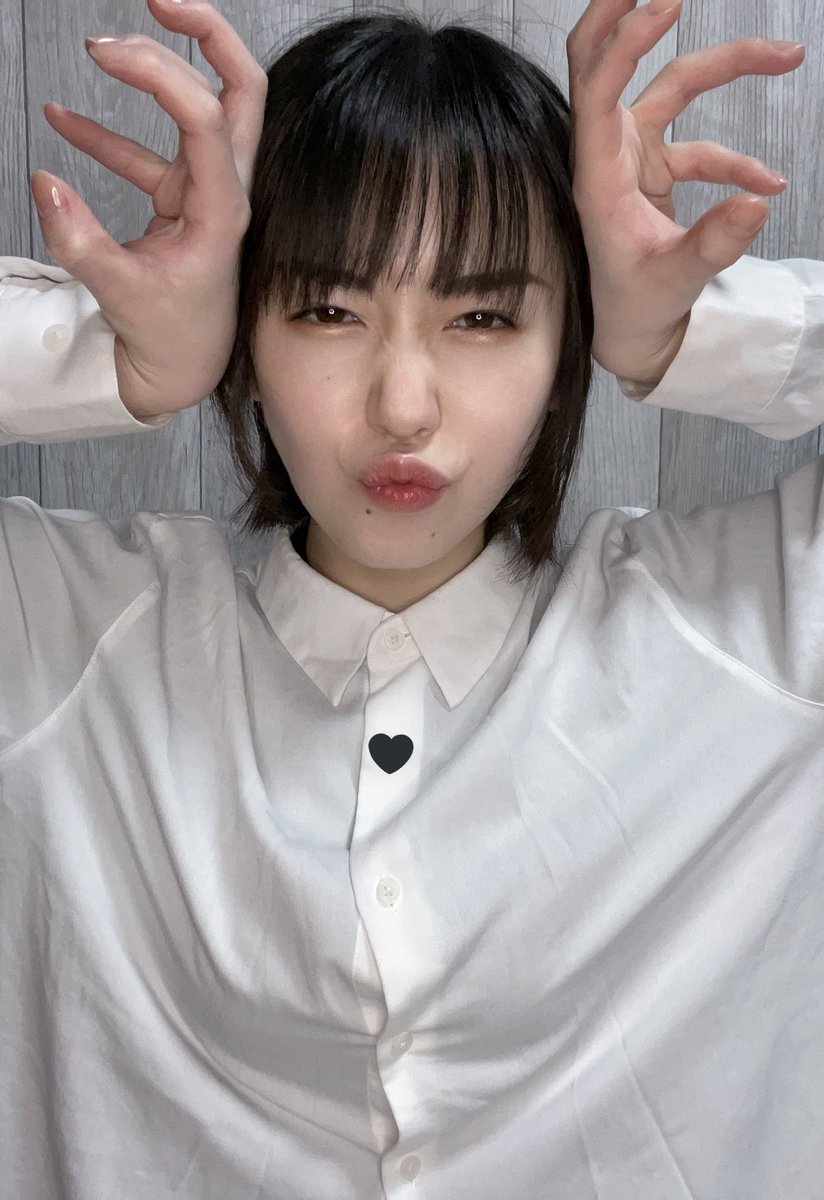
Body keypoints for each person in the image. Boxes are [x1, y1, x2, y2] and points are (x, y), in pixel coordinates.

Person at [0, 0, 819, 1196]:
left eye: (482, 315)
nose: (402, 406)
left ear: (565, 345)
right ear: (242, 330)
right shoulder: (59, 641)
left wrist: (686, 332)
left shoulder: (757, 638)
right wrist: (122, 358)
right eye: (325, 310)